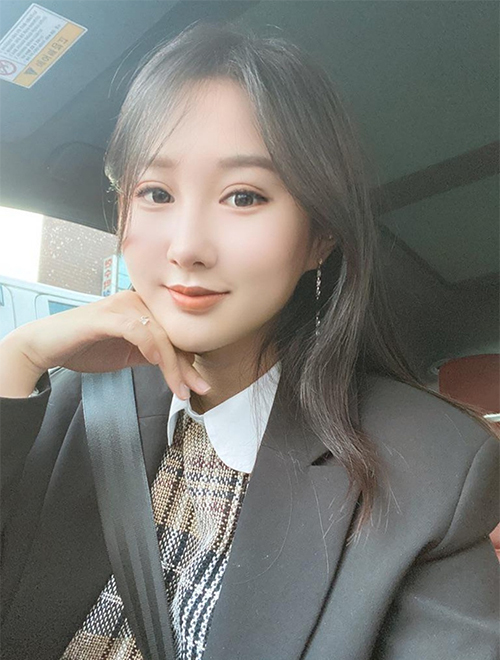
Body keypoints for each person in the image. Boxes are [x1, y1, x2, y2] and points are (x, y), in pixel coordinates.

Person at [0, 21, 498, 660]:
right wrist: (17, 359)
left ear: (319, 237)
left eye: (243, 196)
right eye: (155, 192)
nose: (187, 247)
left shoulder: (430, 471)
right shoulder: (69, 401)